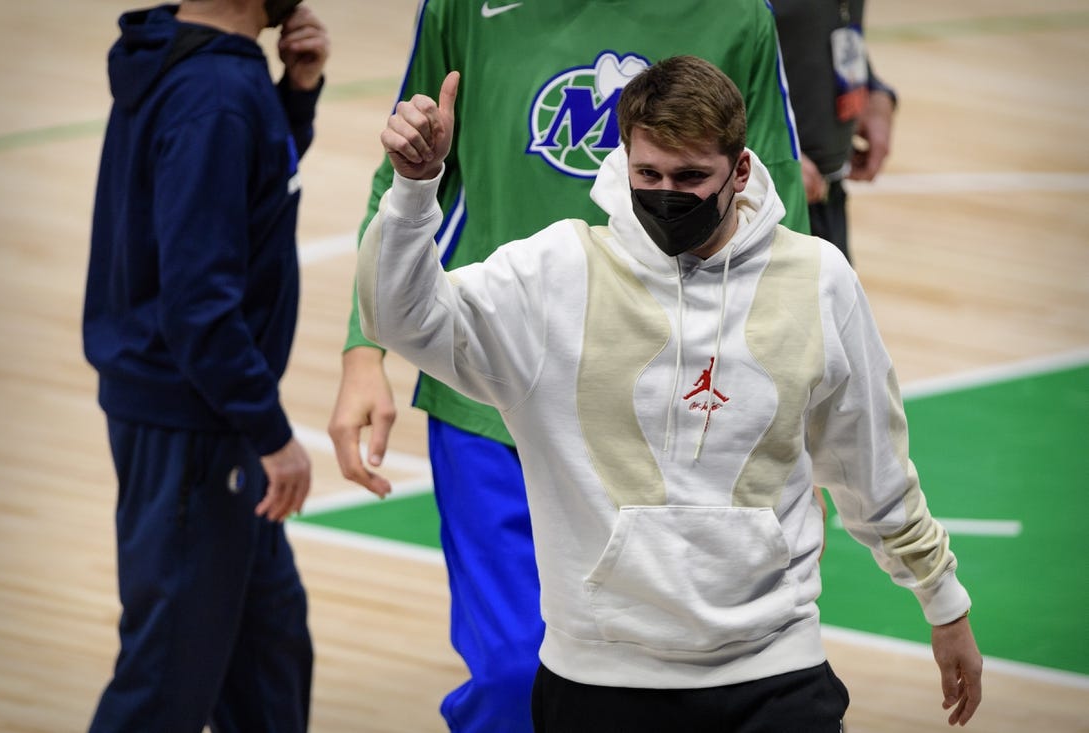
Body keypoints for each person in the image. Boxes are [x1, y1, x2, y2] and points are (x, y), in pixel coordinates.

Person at [357, 55, 983, 731]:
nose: (665, 193)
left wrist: (943, 600)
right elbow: (401, 318)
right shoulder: (555, 274)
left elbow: (872, 465)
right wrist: (415, 191)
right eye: (647, 175)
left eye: (690, 178)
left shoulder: (817, 280)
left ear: (740, 172)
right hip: (599, 676)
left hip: (774, 667)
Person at [329, 2, 810, 728]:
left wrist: (789, 416)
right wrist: (363, 349)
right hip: (486, 397)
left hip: (663, 414)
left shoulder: (736, 13)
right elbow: (406, 169)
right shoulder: (466, 6)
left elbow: (781, 208)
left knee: (649, 685)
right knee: (511, 676)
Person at [82, 1, 327, 729]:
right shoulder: (215, 95)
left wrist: (296, 97)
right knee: (166, 682)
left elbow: (237, 195)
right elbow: (199, 305)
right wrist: (272, 433)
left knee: (268, 656)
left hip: (205, 416)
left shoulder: (192, 65)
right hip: (196, 421)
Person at [773, 0, 898, 262]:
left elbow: (834, 20)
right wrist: (768, 150)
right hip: (759, 204)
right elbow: (687, 57)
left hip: (827, 195)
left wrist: (873, 90)